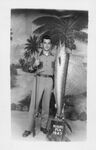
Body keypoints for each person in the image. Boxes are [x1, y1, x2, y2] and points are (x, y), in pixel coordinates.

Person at [22, 35, 56, 137]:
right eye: (44, 43)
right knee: (34, 105)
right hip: (39, 79)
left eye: (48, 43)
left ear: (51, 45)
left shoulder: (54, 57)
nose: (46, 45)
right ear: (42, 44)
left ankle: (43, 126)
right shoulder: (37, 56)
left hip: (50, 80)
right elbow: (29, 69)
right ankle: (28, 128)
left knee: (46, 105)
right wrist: (34, 65)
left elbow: (57, 72)